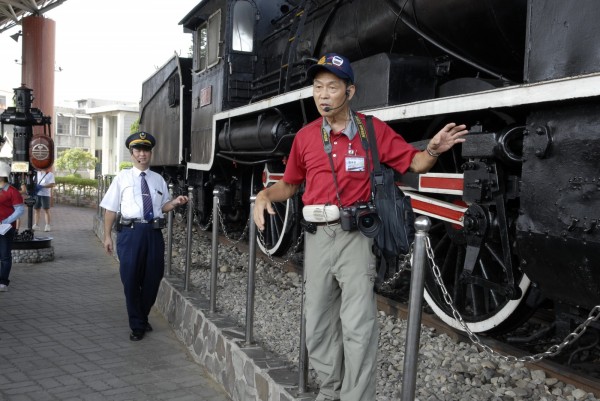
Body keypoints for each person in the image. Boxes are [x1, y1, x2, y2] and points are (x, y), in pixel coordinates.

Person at [253, 53, 468, 401]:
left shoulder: (371, 130)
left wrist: (432, 149)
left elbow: (414, 163)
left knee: (358, 326)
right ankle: (331, 390)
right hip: (318, 237)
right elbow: (290, 185)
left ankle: (356, 397)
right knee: (318, 325)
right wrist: (265, 194)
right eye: (318, 87)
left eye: (332, 88)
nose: (323, 95)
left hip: (355, 236)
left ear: (349, 92)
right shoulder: (306, 137)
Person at [100, 132, 189, 341]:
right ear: (132, 153)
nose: (142, 154)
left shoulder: (158, 180)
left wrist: (175, 203)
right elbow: (111, 210)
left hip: (153, 233)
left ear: (150, 153)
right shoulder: (122, 178)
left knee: (153, 278)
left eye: (146, 150)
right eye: (138, 150)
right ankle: (137, 325)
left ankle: (141, 315)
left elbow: (162, 206)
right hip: (130, 235)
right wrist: (107, 236)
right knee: (131, 280)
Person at [0, 162, 25, 292]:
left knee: (4, 255)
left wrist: (5, 221)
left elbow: (20, 210)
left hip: (5, 229)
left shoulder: (12, 192)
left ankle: (3, 282)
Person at [32, 167, 55, 232]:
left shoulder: (50, 174)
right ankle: (36, 225)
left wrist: (42, 186)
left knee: (46, 210)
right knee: (36, 210)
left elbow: (52, 184)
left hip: (45, 195)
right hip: (37, 194)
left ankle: (47, 225)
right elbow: (33, 182)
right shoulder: (37, 173)